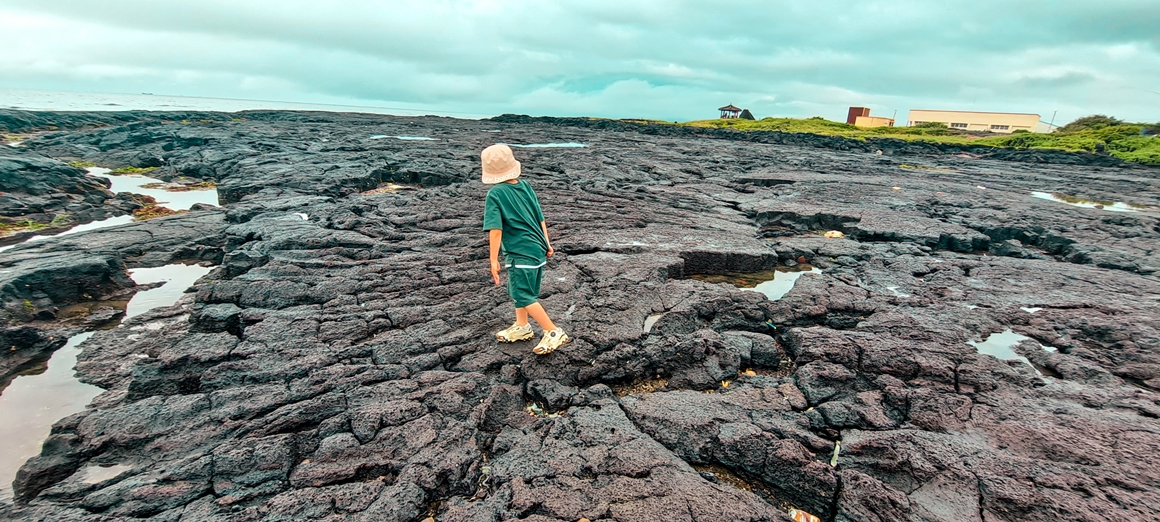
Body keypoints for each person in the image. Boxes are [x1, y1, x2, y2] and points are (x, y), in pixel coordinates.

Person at [480, 144, 570, 355]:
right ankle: (522, 326)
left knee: (522, 293)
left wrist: (493, 260)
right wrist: (547, 243)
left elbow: (495, 230)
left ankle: (553, 332)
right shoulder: (526, 186)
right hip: (537, 248)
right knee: (521, 290)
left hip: (520, 252)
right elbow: (540, 217)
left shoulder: (495, 194)